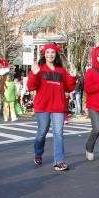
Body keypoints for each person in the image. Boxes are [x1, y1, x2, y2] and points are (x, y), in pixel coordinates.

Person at [27, 43, 77, 171]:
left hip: (58, 107)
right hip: (43, 106)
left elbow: (69, 88)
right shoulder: (39, 69)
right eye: (48, 52)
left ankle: (59, 161)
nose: (50, 54)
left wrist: (72, 77)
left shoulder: (61, 70)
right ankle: (38, 153)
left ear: (56, 54)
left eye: (53, 52)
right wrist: (34, 74)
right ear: (44, 54)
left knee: (58, 134)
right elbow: (31, 87)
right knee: (41, 133)